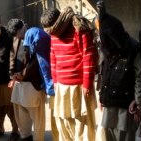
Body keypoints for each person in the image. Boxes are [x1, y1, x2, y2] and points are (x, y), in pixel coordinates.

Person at [41, 7, 98, 141]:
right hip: (62, 86)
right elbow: (53, 57)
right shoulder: (55, 33)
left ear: (59, 21)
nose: (49, 32)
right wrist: (55, 81)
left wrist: (87, 84)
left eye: (50, 28)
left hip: (80, 86)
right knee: (64, 121)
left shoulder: (80, 29)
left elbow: (89, 57)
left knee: (83, 122)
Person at [96, 1, 141, 141]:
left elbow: (139, 77)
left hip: (126, 106)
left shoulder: (133, 49)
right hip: (108, 102)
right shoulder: (106, 48)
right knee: (106, 136)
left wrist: (138, 102)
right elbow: (103, 71)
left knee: (125, 136)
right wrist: (101, 96)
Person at [7, 19, 50, 141]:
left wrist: (23, 74)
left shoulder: (35, 35)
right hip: (19, 83)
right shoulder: (16, 38)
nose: (17, 38)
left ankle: (38, 138)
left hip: (33, 83)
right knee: (20, 113)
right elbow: (12, 55)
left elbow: (38, 60)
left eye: (17, 34)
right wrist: (12, 74)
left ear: (22, 28)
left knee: (37, 116)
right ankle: (26, 136)